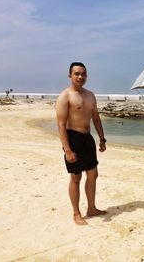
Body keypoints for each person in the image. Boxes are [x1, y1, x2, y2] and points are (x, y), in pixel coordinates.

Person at [56, 62, 107, 225]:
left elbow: (96, 118)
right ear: (70, 75)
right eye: (77, 73)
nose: (80, 77)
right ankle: (76, 213)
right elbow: (61, 125)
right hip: (73, 139)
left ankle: (91, 208)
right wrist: (67, 150)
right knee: (76, 177)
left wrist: (102, 139)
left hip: (87, 138)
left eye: (83, 74)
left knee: (93, 174)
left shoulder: (90, 95)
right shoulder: (65, 96)